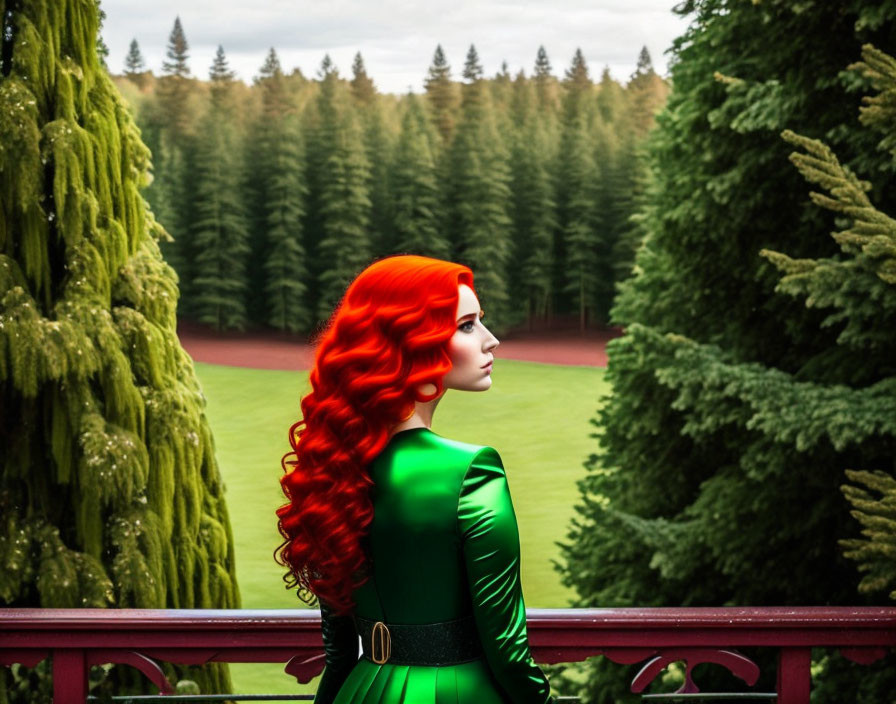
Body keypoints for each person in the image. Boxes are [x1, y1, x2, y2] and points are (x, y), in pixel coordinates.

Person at [276, 255, 554, 704]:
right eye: (467, 325)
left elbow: (339, 655)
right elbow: (506, 648)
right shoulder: (471, 471)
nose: (491, 341)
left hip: (361, 690)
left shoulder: (331, 471)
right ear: (410, 342)